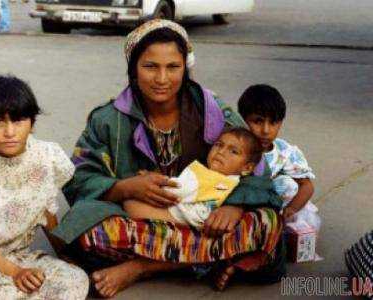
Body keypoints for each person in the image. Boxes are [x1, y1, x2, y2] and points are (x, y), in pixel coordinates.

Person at [53, 19, 284, 298]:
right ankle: (209, 260)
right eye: (150, 66)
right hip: (148, 221)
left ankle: (144, 266)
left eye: (173, 67)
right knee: (90, 232)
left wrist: (235, 206)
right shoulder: (107, 120)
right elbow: (76, 178)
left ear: (186, 68)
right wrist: (126, 188)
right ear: (133, 70)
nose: (162, 79)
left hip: (210, 220)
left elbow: (259, 170)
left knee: (267, 221)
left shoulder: (212, 110)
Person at [0, 75, 89, 299]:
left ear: (32, 123)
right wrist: (16, 273)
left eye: (18, 121)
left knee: (74, 279)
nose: (9, 132)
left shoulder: (46, 156)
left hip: (20, 257)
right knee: (4, 294)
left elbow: (47, 212)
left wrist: (66, 258)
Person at [124, 127, 263, 229]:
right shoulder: (233, 181)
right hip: (198, 218)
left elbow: (180, 190)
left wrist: (155, 181)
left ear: (248, 168)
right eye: (219, 145)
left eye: (233, 151)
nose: (221, 152)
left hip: (183, 218)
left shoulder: (209, 176)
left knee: (130, 203)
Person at [237, 84, 320, 230]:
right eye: (257, 121)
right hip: (247, 209)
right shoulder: (233, 149)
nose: (266, 130)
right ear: (242, 120)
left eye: (273, 122)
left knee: (288, 185)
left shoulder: (285, 152)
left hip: (281, 213)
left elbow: (306, 186)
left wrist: (292, 210)